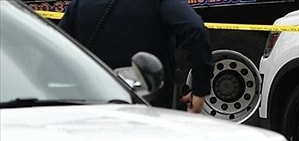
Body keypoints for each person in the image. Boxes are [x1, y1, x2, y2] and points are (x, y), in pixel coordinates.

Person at [59, 0, 214, 113]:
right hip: (148, 109)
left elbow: (55, 49)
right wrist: (200, 90)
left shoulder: (78, 5)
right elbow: (195, 30)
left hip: (90, 106)